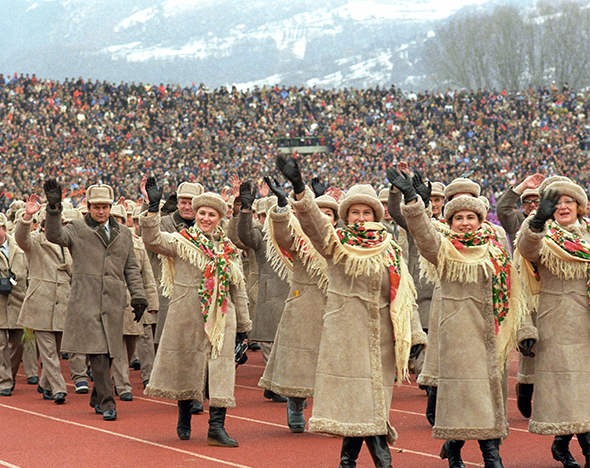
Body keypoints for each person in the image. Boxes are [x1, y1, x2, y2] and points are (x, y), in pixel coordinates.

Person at [277, 155, 426, 468]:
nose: (360, 217)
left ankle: (348, 462)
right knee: (361, 404)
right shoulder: (336, 243)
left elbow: (404, 293)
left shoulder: (390, 246)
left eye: (366, 211)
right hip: (346, 336)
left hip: (384, 338)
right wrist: (301, 191)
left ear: (376, 214)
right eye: (355, 212)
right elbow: (316, 227)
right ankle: (381, 461)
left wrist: (413, 334)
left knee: (369, 405)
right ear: (346, 216)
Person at [392, 169, 528, 468]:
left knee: (488, 399)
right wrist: (414, 203)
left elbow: (513, 287)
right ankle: (455, 451)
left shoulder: (496, 250)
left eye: (471, 217)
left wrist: (519, 329)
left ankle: (491, 454)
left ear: (481, 221)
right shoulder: (443, 248)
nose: (465, 223)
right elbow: (424, 235)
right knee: (462, 400)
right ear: (450, 223)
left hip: (492, 336)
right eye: (458, 218)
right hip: (457, 337)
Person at [140, 177, 251, 447]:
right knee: (187, 367)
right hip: (187, 315)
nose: (205, 217)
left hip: (222, 317)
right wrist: (152, 208)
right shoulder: (181, 241)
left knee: (222, 371)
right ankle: (184, 413)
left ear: (219, 218)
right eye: (202, 213)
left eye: (211, 214)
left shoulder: (229, 250)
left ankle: (216, 427)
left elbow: (238, 288)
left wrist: (244, 325)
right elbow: (152, 239)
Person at [43, 180, 147, 421]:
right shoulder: (78, 228)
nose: (101, 211)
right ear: (88, 207)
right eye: (96, 207)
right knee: (99, 353)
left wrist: (139, 296)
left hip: (113, 301)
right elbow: (54, 234)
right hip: (86, 299)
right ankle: (108, 403)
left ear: (110, 208)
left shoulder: (123, 233)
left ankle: (96, 397)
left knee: (111, 353)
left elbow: (131, 267)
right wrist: (53, 208)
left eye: (105, 207)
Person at [515, 176, 590, 468]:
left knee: (584, 390)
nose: (563, 207)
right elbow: (526, 250)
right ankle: (580, 447)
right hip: (556, 322)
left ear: (579, 206)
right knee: (565, 389)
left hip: (585, 322)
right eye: (557, 203)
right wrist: (536, 224)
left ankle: (561, 444)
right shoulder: (540, 233)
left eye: (569, 201)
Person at [259, 177, 338, 433]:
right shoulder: (299, 239)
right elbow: (281, 236)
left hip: (335, 309)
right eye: (320, 213)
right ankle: (295, 403)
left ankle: (330, 412)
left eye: (329, 214)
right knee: (298, 363)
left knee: (332, 364)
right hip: (303, 306)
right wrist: (282, 206)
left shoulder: (344, 243)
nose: (324, 219)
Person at [14, 198, 80, 404]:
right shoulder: (34, 241)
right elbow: (20, 239)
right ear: (43, 225)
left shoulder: (68, 243)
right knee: (49, 351)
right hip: (41, 301)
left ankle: (44, 384)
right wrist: (27, 217)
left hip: (63, 301)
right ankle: (59, 389)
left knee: (58, 350)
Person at [237, 182, 290, 402]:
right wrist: (245, 211)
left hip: (292, 296)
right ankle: (275, 386)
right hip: (269, 297)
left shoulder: (295, 235)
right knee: (270, 342)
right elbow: (243, 235)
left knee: (288, 345)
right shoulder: (261, 236)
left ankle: (275, 384)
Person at [109, 204, 159, 402]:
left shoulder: (137, 244)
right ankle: (123, 385)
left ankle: (117, 377)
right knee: (118, 345)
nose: (115, 222)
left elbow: (147, 276)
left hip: (134, 302)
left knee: (132, 345)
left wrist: (152, 303)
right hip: (111, 299)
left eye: (119, 219)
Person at [0, 213, 28, 397]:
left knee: (20, 343)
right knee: (1, 344)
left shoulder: (19, 248)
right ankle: (4, 381)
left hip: (18, 301)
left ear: (3, 227)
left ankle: (9, 373)